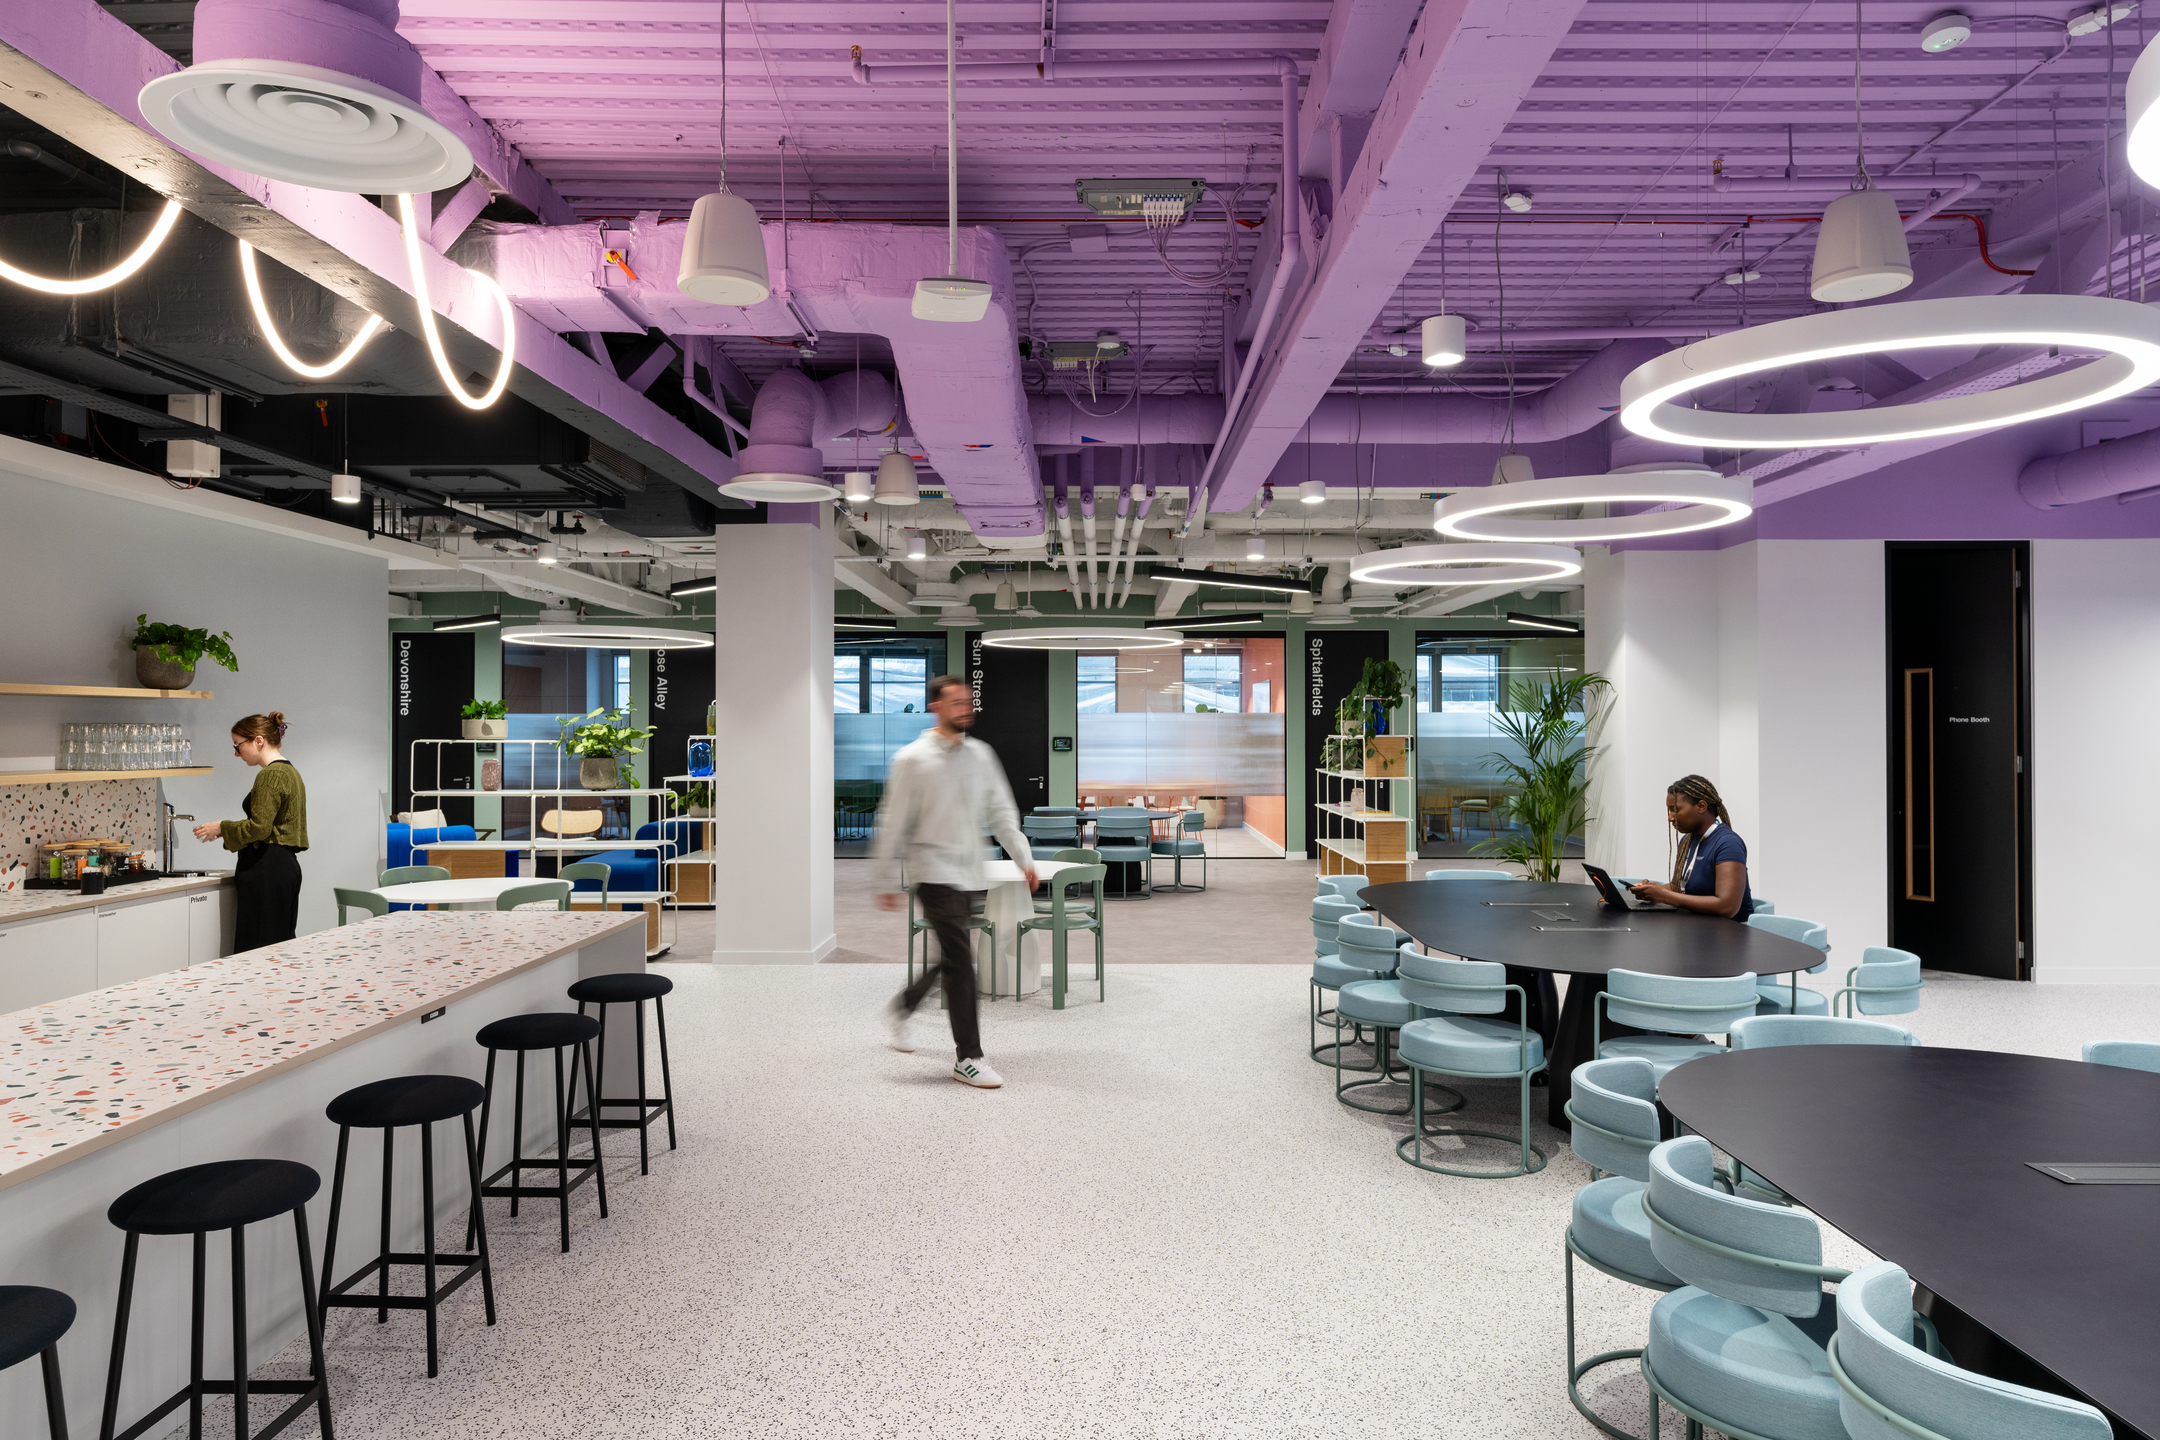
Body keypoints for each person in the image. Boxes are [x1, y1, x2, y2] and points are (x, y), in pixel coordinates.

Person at [871, 675, 1034, 1089]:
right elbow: (893, 821)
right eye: (957, 702)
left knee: (951, 954)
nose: (966, 708)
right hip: (931, 870)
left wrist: (1023, 858)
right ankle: (969, 1057)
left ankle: (903, 1007)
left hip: (968, 870)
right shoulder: (913, 759)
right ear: (936, 707)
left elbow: (1001, 811)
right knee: (961, 959)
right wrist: (885, 877)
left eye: (968, 701)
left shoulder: (982, 755)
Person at [194, 711, 309, 950]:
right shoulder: (291, 772)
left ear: (258, 741)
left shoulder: (270, 775)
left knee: (258, 949)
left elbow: (259, 827)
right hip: (284, 867)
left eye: (238, 745)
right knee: (279, 946)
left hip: (266, 869)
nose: (236, 753)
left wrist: (222, 827)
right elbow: (270, 826)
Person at [1628, 773, 1753, 920]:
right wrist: (1654, 890)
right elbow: (1682, 886)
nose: (1670, 817)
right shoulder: (1688, 840)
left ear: (1701, 806)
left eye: (1676, 809)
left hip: (1731, 934)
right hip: (1699, 926)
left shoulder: (1728, 843)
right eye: (1669, 810)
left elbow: (1727, 907)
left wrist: (1666, 896)